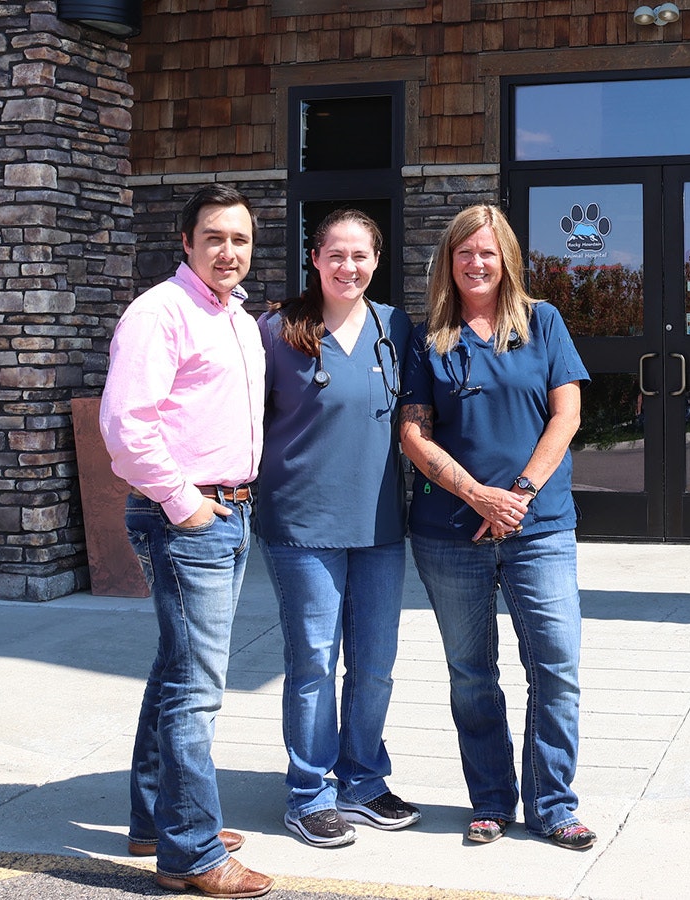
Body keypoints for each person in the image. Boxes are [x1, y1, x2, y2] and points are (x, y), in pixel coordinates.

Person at [397, 204, 596, 851]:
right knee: (472, 673)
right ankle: (490, 801)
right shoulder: (429, 338)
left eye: (487, 252)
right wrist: (479, 495)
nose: (476, 263)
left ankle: (552, 804)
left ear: (506, 257)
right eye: (464, 253)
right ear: (448, 263)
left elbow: (565, 416)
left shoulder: (543, 323)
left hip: (539, 529)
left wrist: (519, 494)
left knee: (556, 667)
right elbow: (414, 435)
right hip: (449, 531)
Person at [100, 184, 274, 899]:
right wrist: (185, 504)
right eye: (215, 238)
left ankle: (156, 821)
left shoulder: (230, 315)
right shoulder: (160, 313)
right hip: (190, 519)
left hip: (227, 513)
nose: (228, 251)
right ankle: (192, 851)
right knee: (198, 690)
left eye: (239, 239)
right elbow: (124, 426)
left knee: (178, 669)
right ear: (187, 243)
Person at [254, 208, 419, 848]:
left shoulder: (395, 327)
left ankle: (362, 780)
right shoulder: (278, 330)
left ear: (376, 261)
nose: (348, 267)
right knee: (316, 662)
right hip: (302, 524)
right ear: (315, 259)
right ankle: (310, 791)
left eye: (361, 256)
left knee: (375, 663)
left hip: (379, 524)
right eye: (336, 255)